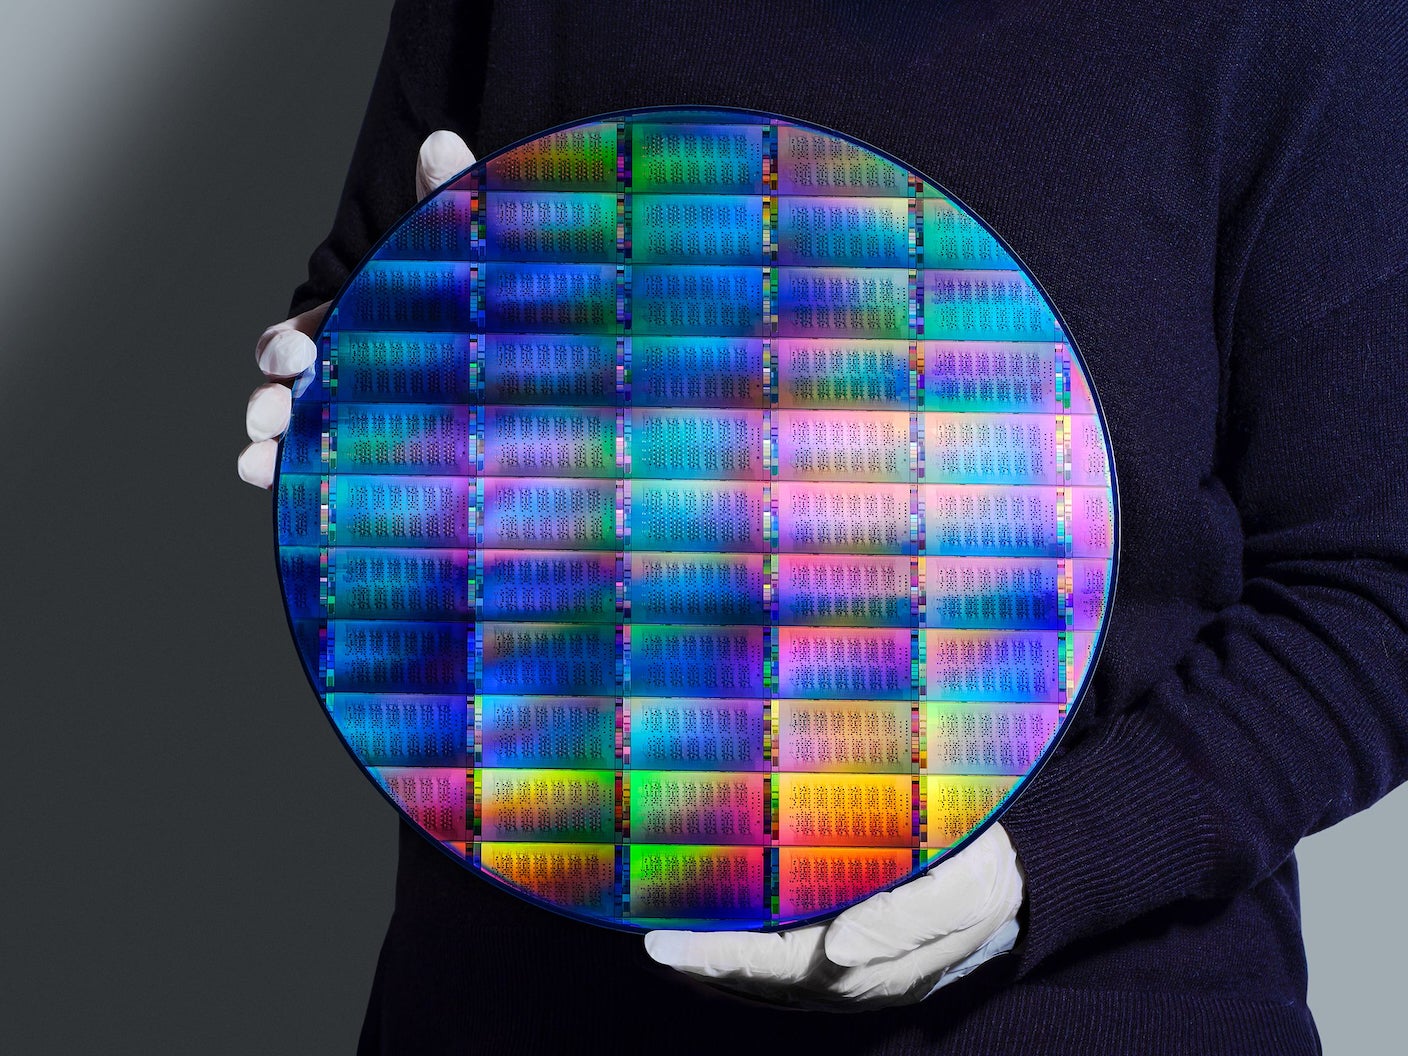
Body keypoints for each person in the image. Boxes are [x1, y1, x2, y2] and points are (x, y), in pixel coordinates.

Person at [238, 2, 1408, 1052]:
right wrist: (374, 384)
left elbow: (1374, 592)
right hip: (515, 996)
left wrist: (1043, 869)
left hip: (1078, 1013)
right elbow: (366, 311)